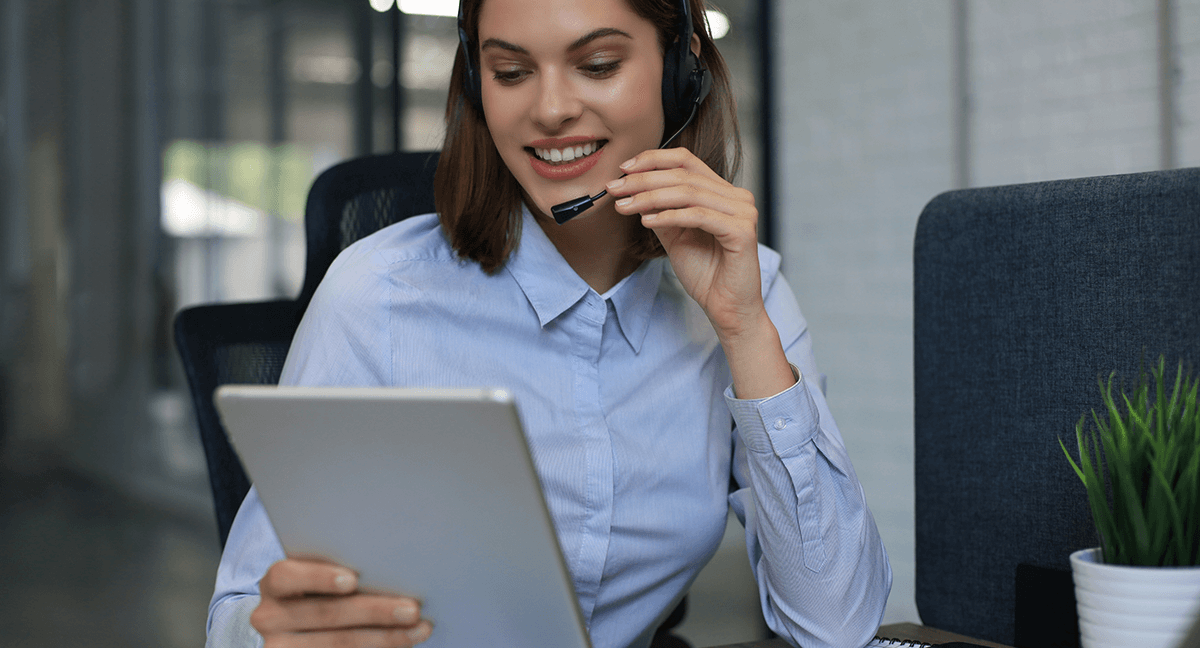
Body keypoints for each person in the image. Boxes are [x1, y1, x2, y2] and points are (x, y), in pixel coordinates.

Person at [206, 0, 892, 646]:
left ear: (682, 72)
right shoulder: (376, 297)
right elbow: (239, 614)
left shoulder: (750, 290)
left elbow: (836, 626)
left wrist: (744, 330)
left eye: (598, 65)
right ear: (478, 86)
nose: (552, 109)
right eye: (510, 72)